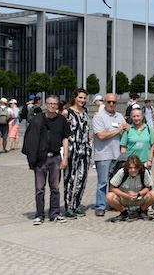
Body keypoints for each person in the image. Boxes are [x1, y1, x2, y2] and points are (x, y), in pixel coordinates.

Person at [22, 95, 71, 225]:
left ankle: (55, 213)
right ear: (45, 104)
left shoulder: (61, 119)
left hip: (55, 157)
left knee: (55, 187)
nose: (52, 106)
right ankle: (39, 214)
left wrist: (65, 157)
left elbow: (65, 139)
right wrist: (31, 159)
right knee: (40, 188)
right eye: (50, 103)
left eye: (55, 104)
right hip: (41, 158)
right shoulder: (38, 119)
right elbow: (30, 140)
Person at [92, 93, 129, 217]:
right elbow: (101, 136)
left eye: (114, 102)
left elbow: (125, 135)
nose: (111, 104)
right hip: (103, 155)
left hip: (117, 155)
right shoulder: (99, 117)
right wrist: (118, 130)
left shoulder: (120, 116)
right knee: (102, 182)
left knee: (115, 182)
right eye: (109, 102)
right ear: (104, 102)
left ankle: (113, 204)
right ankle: (100, 206)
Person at [62, 88, 92, 218]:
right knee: (69, 177)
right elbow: (63, 132)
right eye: (80, 97)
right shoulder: (66, 112)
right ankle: (68, 206)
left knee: (82, 177)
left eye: (84, 98)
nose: (82, 100)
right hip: (72, 147)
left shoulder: (86, 111)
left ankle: (76, 204)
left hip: (85, 148)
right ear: (74, 98)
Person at [106, 154, 154, 222]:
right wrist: (126, 195)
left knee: (153, 194)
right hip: (124, 198)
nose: (133, 170)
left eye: (135, 168)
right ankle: (124, 213)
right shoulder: (122, 172)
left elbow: (149, 187)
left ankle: (141, 211)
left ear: (139, 167)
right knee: (109, 196)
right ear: (127, 167)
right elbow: (112, 188)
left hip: (139, 198)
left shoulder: (144, 172)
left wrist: (138, 194)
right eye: (130, 168)